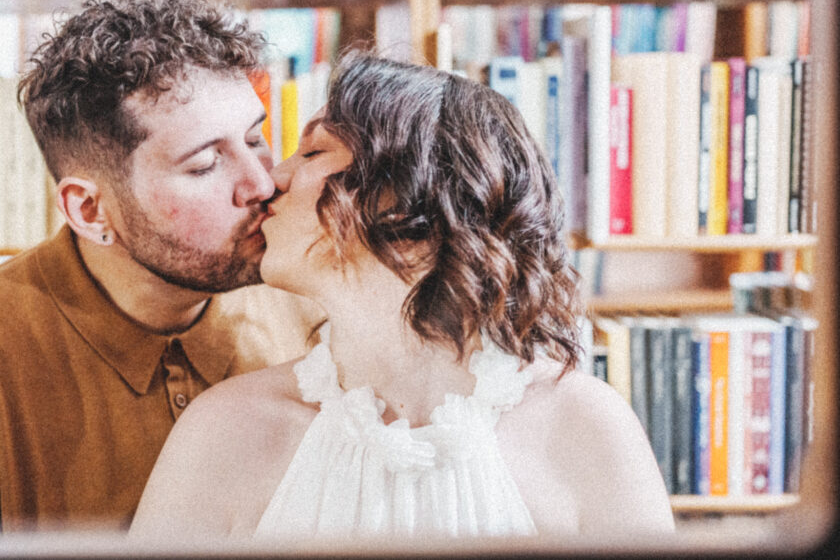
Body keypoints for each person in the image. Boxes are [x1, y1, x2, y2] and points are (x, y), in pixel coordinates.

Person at [130, 51, 675, 540]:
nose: (273, 177)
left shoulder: (587, 428)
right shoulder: (223, 431)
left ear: (409, 195)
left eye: (315, 151)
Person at [0, 0, 325, 534]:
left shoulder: (312, 297)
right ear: (88, 209)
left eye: (255, 138)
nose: (262, 183)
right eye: (204, 166)